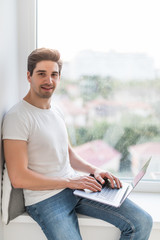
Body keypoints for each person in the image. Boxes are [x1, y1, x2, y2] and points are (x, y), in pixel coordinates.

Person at [2, 48, 152, 240]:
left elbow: (68, 154)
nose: (49, 80)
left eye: (54, 74)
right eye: (41, 74)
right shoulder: (18, 117)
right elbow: (19, 177)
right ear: (29, 76)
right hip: (44, 199)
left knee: (142, 222)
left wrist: (95, 170)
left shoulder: (56, 111)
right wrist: (69, 182)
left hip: (74, 188)